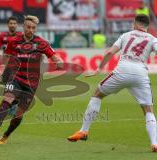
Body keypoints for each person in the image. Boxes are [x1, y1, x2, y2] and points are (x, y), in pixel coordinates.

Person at [67, 14, 157, 152]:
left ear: (135, 24)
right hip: (140, 74)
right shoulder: (153, 39)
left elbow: (109, 52)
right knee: (148, 109)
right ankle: (154, 143)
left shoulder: (126, 35)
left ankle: (83, 131)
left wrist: (99, 69)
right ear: (147, 26)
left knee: (97, 95)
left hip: (122, 71)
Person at [0, 15, 63, 144]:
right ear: (23, 27)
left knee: (19, 114)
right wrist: (2, 72)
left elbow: (55, 57)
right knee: (7, 98)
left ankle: (6, 135)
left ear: (36, 29)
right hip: (15, 77)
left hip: (31, 83)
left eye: (33, 28)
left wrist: (59, 62)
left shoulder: (41, 43)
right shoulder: (13, 41)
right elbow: (7, 57)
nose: (30, 30)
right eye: (28, 27)